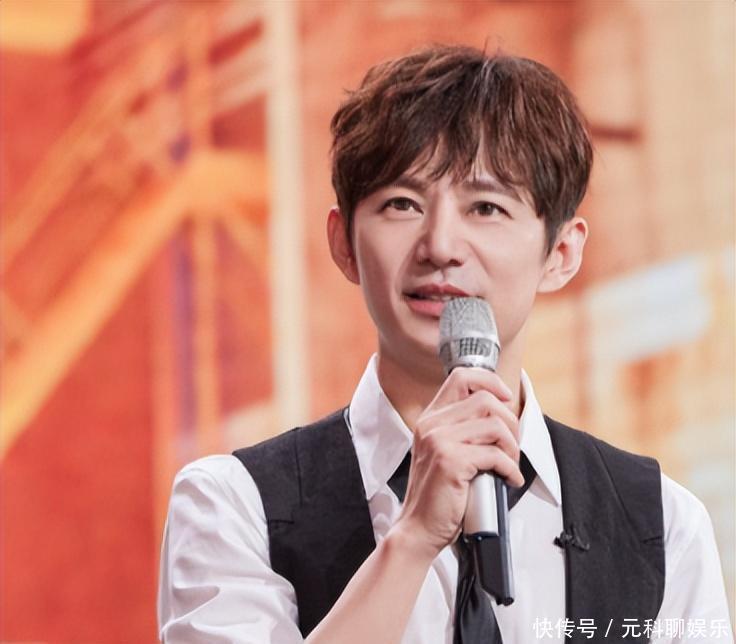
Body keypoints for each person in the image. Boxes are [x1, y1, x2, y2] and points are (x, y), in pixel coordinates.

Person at [157, 45, 733, 643]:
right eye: (402, 204)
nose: (440, 246)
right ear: (344, 243)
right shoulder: (233, 505)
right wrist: (410, 541)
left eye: (486, 207)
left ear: (561, 253)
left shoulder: (660, 524)